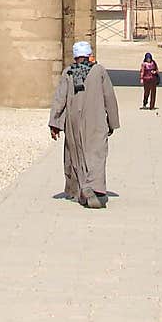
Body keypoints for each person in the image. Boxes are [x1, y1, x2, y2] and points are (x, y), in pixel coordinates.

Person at [49, 40, 120, 209]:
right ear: (89, 55)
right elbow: (109, 97)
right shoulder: (99, 71)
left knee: (77, 154)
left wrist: (55, 123)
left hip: (73, 121)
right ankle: (93, 186)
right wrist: (112, 121)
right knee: (96, 154)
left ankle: (82, 187)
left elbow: (60, 98)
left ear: (75, 57)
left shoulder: (69, 72)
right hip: (96, 120)